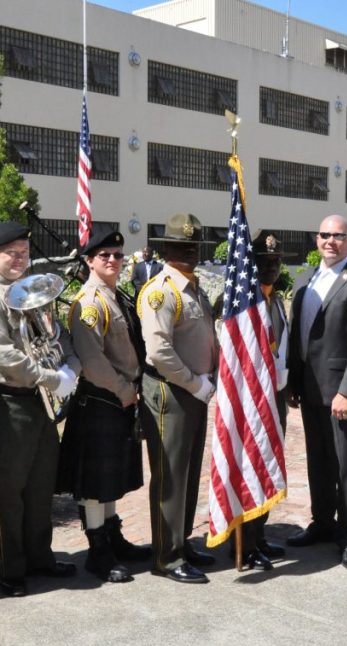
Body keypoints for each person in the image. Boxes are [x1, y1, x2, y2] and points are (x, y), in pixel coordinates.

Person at [0, 221, 80, 597]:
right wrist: (51, 377)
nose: (21, 259)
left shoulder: (29, 290)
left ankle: (39, 556)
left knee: (41, 484)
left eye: (25, 252)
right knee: (9, 490)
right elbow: (3, 355)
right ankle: (10, 569)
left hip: (36, 401)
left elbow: (56, 337)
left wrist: (70, 368)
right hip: (3, 401)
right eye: (13, 253)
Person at [286, 215, 347, 570]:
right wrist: (294, 384)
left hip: (342, 392)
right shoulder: (304, 279)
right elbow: (299, 335)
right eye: (325, 235)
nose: (331, 241)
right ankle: (323, 522)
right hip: (310, 389)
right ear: (316, 239)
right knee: (319, 461)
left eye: (338, 236)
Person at [58, 224, 151, 583]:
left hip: (118, 400)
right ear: (89, 261)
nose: (113, 260)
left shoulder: (116, 295)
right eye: (104, 256)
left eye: (117, 255)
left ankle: (113, 539)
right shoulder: (89, 303)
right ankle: (98, 553)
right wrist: (125, 390)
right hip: (102, 399)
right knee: (95, 482)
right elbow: (93, 362)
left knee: (110, 477)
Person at [137, 213, 218, 584]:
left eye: (193, 246)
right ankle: (167, 557)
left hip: (194, 390)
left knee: (187, 471)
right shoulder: (160, 292)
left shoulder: (194, 286)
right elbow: (159, 353)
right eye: (180, 246)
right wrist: (193, 383)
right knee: (170, 474)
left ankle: (181, 542)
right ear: (165, 249)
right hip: (172, 391)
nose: (188, 251)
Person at [235, 229, 292, 570]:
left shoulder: (275, 299)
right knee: (248, 467)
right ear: (250, 264)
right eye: (263, 261)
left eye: (275, 261)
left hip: (274, 397)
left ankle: (258, 536)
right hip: (249, 400)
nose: (271, 267)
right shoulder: (243, 302)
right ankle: (243, 542)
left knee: (267, 464)